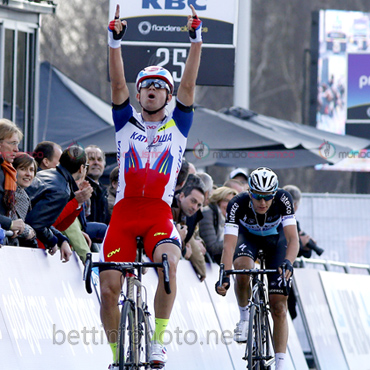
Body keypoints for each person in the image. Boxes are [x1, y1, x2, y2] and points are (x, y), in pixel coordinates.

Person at [101, 4, 202, 369]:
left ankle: (158, 341)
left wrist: (196, 40)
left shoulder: (178, 126)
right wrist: (114, 43)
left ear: (168, 96)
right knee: (109, 291)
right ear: (139, 94)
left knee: (170, 266)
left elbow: (189, 83)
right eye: (146, 87)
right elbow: (116, 85)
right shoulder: (125, 124)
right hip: (124, 215)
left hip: (158, 214)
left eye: (160, 87)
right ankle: (116, 356)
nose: (152, 91)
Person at [216, 167, 299, 370]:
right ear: (250, 193)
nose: (262, 203)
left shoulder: (283, 199)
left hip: (275, 242)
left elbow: (293, 239)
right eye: (258, 197)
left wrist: (288, 261)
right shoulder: (238, 203)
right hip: (248, 239)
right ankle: (244, 318)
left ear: (275, 194)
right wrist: (224, 274)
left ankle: (280, 364)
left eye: (267, 198)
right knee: (242, 268)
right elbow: (228, 246)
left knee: (279, 305)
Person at [25, 145, 89, 262]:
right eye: (86, 167)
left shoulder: (48, 174)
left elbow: (44, 222)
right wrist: (53, 240)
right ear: (81, 168)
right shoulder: (61, 190)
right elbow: (36, 223)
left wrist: (61, 239)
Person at [0, 119, 26, 236]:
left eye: (17, 144)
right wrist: (9, 224)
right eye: (12, 143)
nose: (17, 149)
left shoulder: (7, 170)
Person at [199, 186, 238, 264]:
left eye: (233, 202)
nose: (230, 205)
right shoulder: (207, 213)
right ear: (218, 200)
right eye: (227, 201)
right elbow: (212, 247)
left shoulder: (229, 219)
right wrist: (235, 241)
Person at [10, 153, 38, 247]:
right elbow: (12, 222)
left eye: (31, 170)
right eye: (23, 169)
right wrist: (27, 231)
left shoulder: (23, 194)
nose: (28, 174)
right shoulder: (8, 193)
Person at [85, 145, 110, 225]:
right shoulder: (79, 188)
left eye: (99, 159)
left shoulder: (104, 191)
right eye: (91, 159)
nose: (96, 163)